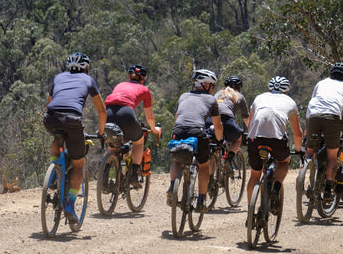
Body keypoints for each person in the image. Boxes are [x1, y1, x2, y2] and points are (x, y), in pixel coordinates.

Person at [43, 52, 107, 223]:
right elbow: (102, 111)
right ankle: (70, 204)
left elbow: (49, 104)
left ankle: (52, 173)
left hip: (51, 118)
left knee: (57, 138)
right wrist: (101, 133)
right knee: (78, 165)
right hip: (72, 120)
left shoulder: (58, 77)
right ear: (86, 68)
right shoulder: (88, 80)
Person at [167, 69, 223, 212]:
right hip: (197, 132)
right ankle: (201, 200)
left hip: (178, 130)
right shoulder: (211, 100)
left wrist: (176, 134)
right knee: (203, 166)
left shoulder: (183, 96)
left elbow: (176, 118)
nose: (213, 89)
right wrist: (219, 140)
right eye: (213, 86)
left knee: (177, 161)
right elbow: (218, 125)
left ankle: (173, 186)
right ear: (207, 85)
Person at [247, 76, 303, 214]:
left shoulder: (259, 98)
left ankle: (250, 211)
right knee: (283, 162)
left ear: (269, 89)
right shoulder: (290, 102)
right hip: (276, 139)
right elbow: (297, 133)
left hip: (255, 138)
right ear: (286, 91)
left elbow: (251, 122)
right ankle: (276, 188)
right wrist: (298, 150)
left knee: (255, 175)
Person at [305, 63, 343, 203]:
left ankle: (305, 174)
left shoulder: (320, 83)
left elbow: (313, 102)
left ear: (330, 74)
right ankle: (327, 189)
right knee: (332, 156)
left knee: (309, 151)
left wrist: (306, 129)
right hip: (332, 118)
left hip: (313, 116)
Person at [104, 65, 161, 187]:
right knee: (138, 142)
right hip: (126, 113)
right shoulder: (144, 90)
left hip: (107, 112)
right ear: (143, 79)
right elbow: (149, 116)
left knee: (112, 147)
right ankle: (134, 174)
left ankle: (104, 175)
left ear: (129, 76)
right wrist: (154, 129)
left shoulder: (119, 85)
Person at [213, 75, 250, 170]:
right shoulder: (239, 96)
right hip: (227, 120)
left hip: (211, 120)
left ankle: (210, 179)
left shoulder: (218, 94)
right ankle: (228, 159)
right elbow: (246, 118)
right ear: (239, 87)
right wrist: (252, 132)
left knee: (215, 146)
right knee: (238, 139)